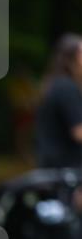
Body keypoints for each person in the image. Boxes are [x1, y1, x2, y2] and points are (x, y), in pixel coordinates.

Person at [34, 33, 82, 170]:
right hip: (65, 173)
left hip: (53, 168)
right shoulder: (66, 87)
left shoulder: (55, 84)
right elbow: (79, 132)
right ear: (71, 58)